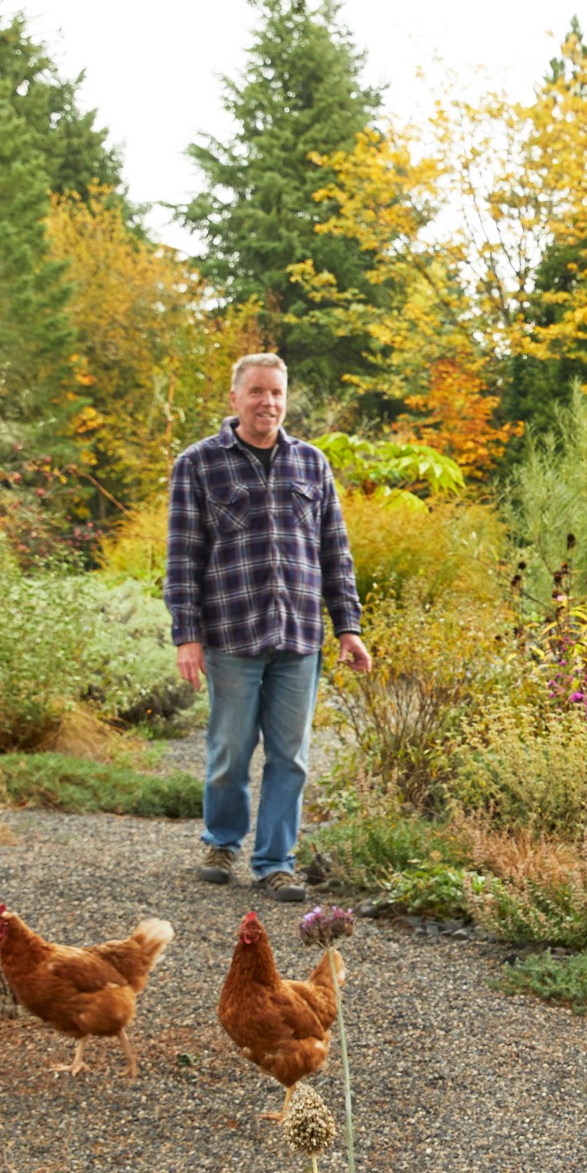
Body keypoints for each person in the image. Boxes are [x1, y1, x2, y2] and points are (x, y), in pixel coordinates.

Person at [165, 353, 372, 901]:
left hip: (299, 636)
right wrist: (187, 635)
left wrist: (348, 627)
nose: (268, 402)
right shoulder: (198, 464)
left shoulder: (312, 464)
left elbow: (335, 551)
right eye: (257, 391)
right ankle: (222, 842)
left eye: (277, 393)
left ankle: (276, 862)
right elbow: (183, 558)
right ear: (235, 399)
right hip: (232, 634)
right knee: (230, 748)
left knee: (292, 756)